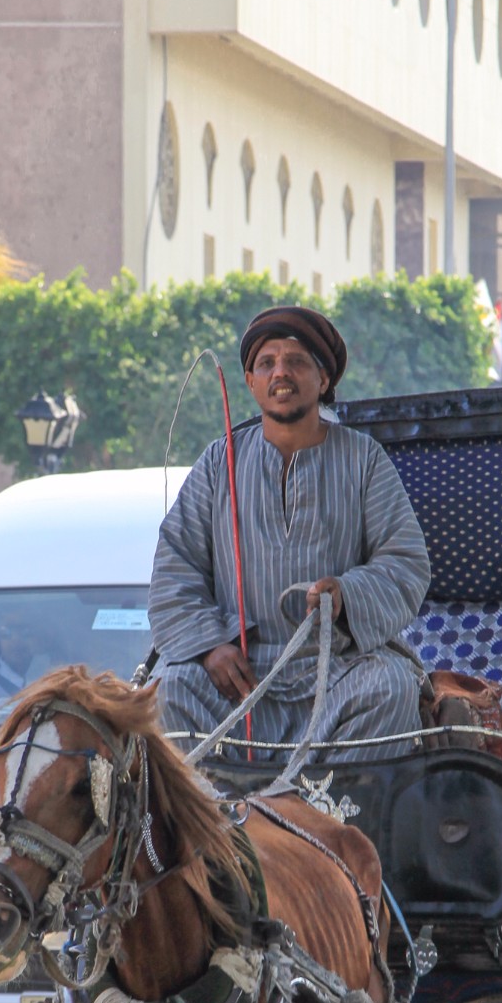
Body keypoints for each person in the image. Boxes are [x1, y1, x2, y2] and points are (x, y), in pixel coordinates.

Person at [149, 304, 431, 760]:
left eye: (297, 361)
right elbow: (174, 567)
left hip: (338, 668)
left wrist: (347, 594)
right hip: (238, 676)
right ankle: (220, 826)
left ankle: (333, 822)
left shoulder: (365, 460)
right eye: (268, 363)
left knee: (390, 687)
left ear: (323, 380)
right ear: (251, 382)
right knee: (169, 691)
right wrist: (209, 646)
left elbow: (405, 563)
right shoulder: (218, 464)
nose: (282, 373)